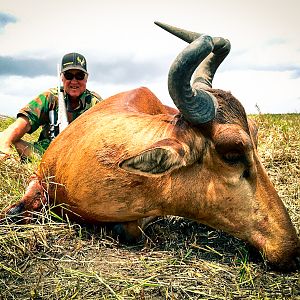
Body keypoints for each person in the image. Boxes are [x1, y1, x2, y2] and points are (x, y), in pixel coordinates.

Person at [0, 52, 102, 161]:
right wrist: (5, 144)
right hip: (44, 155)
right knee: (12, 139)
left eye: (79, 76)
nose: (74, 81)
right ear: (61, 77)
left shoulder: (95, 103)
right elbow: (23, 123)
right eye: (68, 75)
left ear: (86, 78)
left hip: (80, 158)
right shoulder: (50, 97)